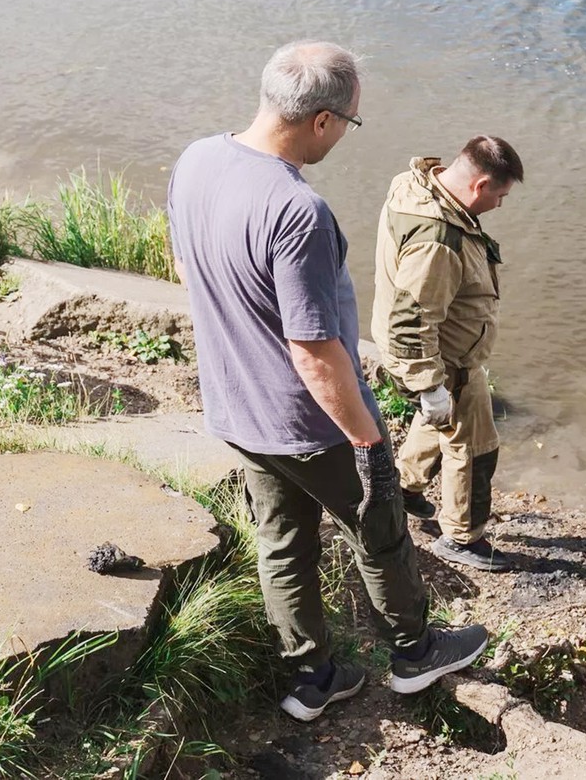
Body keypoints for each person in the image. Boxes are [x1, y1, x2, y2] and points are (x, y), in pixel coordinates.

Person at [167, 40, 488, 723]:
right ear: (321, 120)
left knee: (282, 540)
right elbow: (313, 351)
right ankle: (413, 652)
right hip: (307, 420)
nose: (345, 135)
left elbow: (186, 266)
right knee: (379, 528)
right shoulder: (296, 211)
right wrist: (368, 441)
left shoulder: (198, 159)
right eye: (351, 123)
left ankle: (311, 678)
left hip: (235, 407)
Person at [371, 136, 523, 573]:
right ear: (479, 186)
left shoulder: (415, 185)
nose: (500, 205)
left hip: (435, 355)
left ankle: (404, 488)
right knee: (475, 448)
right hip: (441, 359)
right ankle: (461, 537)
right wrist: (429, 383)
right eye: (500, 195)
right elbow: (412, 319)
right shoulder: (437, 241)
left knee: (440, 420)